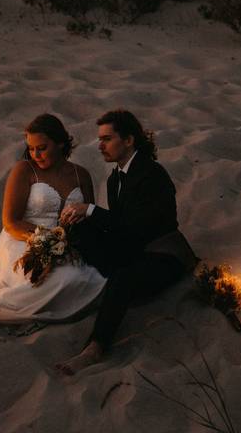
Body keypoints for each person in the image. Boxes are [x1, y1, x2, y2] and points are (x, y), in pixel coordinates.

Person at [55, 110, 197, 375]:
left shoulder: (152, 174)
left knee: (122, 278)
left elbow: (136, 226)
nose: (100, 145)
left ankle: (94, 349)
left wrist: (90, 209)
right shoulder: (114, 178)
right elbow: (119, 227)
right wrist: (80, 217)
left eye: (107, 139)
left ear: (129, 140)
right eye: (100, 139)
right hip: (132, 248)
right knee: (78, 227)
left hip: (163, 254)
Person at [0, 114, 106, 323]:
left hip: (67, 243)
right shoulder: (24, 170)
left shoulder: (81, 175)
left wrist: (68, 244)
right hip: (21, 239)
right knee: (52, 281)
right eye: (31, 148)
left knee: (83, 278)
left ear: (61, 143)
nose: (35, 154)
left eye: (42, 148)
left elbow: (88, 218)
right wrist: (47, 241)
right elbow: (10, 222)